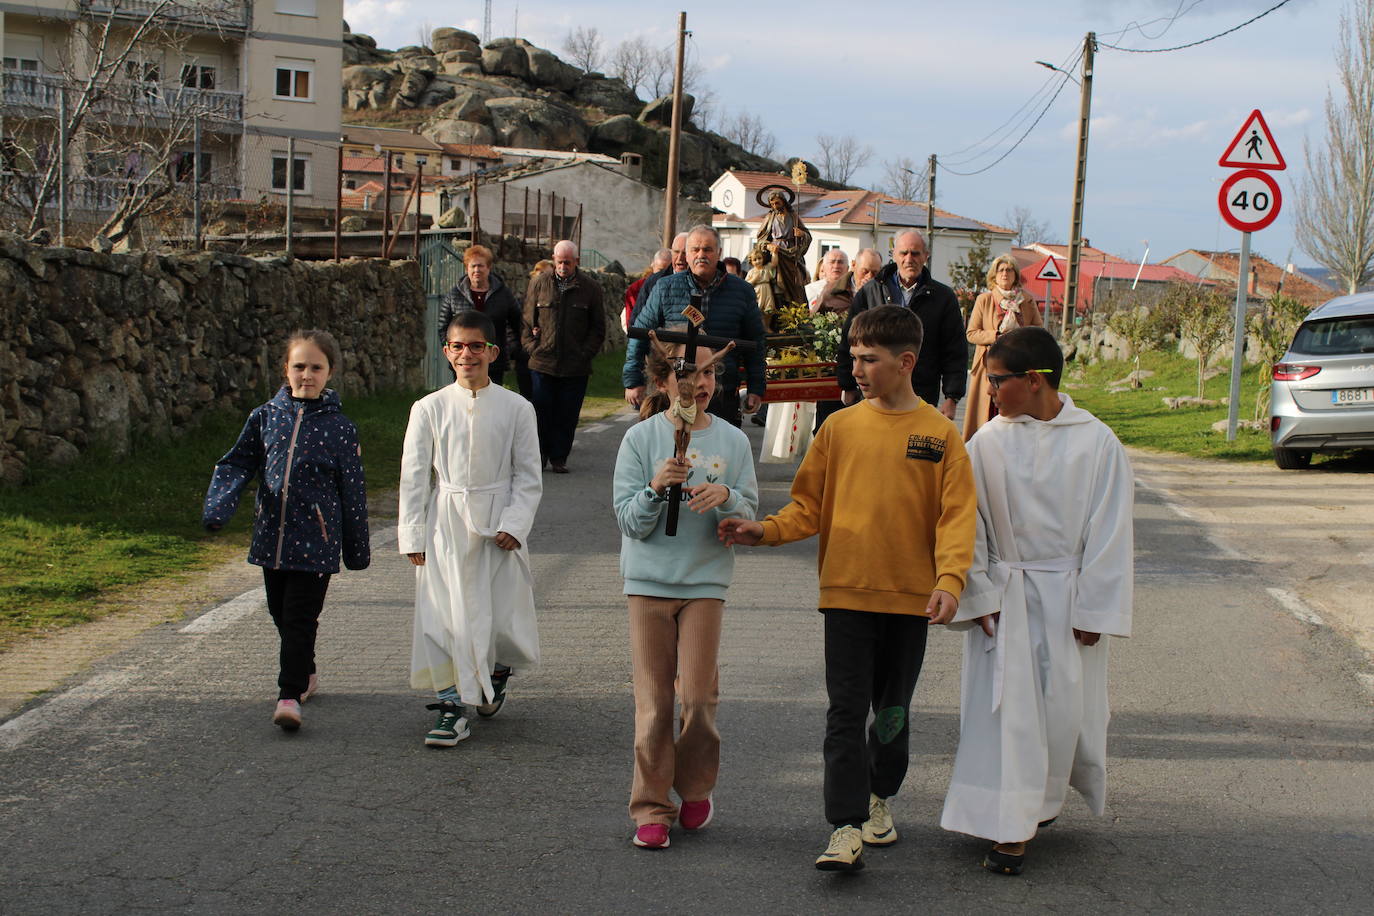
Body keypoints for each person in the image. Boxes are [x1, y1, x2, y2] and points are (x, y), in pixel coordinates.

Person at [719, 305, 976, 873]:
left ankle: (882, 794)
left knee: (891, 711)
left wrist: (950, 581)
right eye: (853, 357)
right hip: (846, 596)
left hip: (911, 601)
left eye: (869, 359)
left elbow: (956, 518)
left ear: (906, 362)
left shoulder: (939, 436)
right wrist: (763, 530)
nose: (856, 369)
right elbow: (808, 505)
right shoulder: (838, 427)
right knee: (844, 710)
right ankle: (844, 825)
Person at [940, 326, 1133, 877]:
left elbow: (1111, 530)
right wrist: (977, 592)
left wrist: (1095, 609)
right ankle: (1008, 828)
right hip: (1006, 599)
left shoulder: (1097, 442)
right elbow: (966, 524)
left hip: (1068, 599)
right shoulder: (985, 443)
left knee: (1060, 714)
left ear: (1034, 380)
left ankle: (1037, 804)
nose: (990, 389)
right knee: (1005, 719)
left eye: (997, 379)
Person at [613, 341, 759, 850]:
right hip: (648, 585)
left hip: (704, 585)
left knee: (697, 699)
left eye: (708, 375)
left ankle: (695, 785)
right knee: (653, 704)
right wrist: (655, 488)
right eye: (687, 375)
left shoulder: (734, 442)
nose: (699, 385)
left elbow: (751, 516)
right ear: (662, 383)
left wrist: (729, 499)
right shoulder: (639, 439)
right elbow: (629, 520)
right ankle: (652, 806)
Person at [203, 329, 370, 732]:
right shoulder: (265, 416)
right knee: (280, 613)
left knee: (299, 618)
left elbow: (353, 490)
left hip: (317, 543)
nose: (307, 375)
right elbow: (237, 463)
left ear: (330, 373)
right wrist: (219, 507)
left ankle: (289, 694)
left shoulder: (340, 428)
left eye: (316, 367)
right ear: (286, 370)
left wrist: (356, 549)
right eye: (299, 366)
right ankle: (306, 670)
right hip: (271, 538)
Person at [399, 311, 543, 747]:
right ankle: (449, 707)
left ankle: (496, 672)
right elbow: (414, 474)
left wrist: (515, 523)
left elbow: (529, 474)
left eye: (476, 346)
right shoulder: (429, 408)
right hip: (446, 522)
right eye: (458, 346)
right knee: (441, 618)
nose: (467, 354)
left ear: (493, 352)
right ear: (446, 352)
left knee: (499, 617)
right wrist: (413, 533)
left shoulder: (518, 408)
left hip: (498, 524)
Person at [624, 225, 767, 427]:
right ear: (688, 255)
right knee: (671, 452)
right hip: (673, 387)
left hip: (720, 390)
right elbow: (640, 332)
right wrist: (633, 381)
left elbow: (756, 342)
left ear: (719, 253)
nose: (701, 255)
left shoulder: (742, 291)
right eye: (695, 250)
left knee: (717, 454)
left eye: (707, 249)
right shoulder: (665, 287)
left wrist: (756, 388)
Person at [836, 230, 966, 421]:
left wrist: (952, 397)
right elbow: (850, 340)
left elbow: (955, 350)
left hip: (921, 394)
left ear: (926, 256)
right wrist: (847, 384)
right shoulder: (870, 292)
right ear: (894, 255)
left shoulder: (943, 298)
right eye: (904, 253)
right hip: (875, 392)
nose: (909, 259)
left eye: (915, 253)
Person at [521, 240, 607, 473]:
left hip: (575, 365)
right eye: (559, 262)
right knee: (540, 412)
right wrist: (532, 346)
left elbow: (598, 328)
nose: (562, 267)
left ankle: (559, 457)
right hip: (542, 361)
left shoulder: (590, 288)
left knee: (567, 414)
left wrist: (585, 353)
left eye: (567, 262)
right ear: (553, 259)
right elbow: (528, 319)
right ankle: (539, 456)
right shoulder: (539, 283)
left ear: (576, 262)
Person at [962, 254, 1043, 441]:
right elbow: (971, 333)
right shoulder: (985, 299)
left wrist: (1022, 338)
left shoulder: (1027, 301)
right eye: (1001, 270)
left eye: (1009, 270)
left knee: (1014, 413)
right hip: (988, 367)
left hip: (1018, 367)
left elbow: (1038, 331)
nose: (1005, 273)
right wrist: (996, 336)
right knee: (986, 416)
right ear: (994, 275)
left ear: (1015, 274)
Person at [438, 244, 521, 388]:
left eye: (481, 266)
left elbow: (517, 322)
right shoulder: (454, 295)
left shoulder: (503, 294)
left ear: (488, 268)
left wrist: (510, 348)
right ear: (467, 269)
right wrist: (455, 350)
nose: (477, 270)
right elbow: (443, 327)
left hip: (494, 362)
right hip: (464, 362)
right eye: (473, 266)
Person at [752, 187, 812, 308]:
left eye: (777, 203)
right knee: (778, 287)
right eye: (772, 204)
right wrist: (768, 246)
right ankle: (779, 315)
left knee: (797, 284)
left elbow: (807, 235)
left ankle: (796, 314)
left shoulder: (794, 216)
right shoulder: (770, 218)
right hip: (776, 256)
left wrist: (802, 234)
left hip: (792, 254)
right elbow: (760, 239)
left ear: (783, 201)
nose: (775, 206)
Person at [631, 232, 688, 326]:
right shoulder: (655, 282)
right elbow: (636, 322)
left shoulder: (701, 282)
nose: (680, 258)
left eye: (685, 253)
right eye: (676, 252)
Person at [625, 249, 672, 332]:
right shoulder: (636, 288)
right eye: (660, 270)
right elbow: (632, 319)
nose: (663, 275)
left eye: (668, 271)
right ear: (652, 265)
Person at [744, 247, 778, 325]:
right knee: (758, 309)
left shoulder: (767, 268)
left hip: (767, 290)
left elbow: (774, 263)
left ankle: (767, 326)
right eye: (755, 260)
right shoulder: (751, 272)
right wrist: (754, 279)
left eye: (759, 258)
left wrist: (775, 253)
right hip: (757, 291)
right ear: (751, 262)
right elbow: (746, 284)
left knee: (769, 309)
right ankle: (760, 326)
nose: (758, 261)